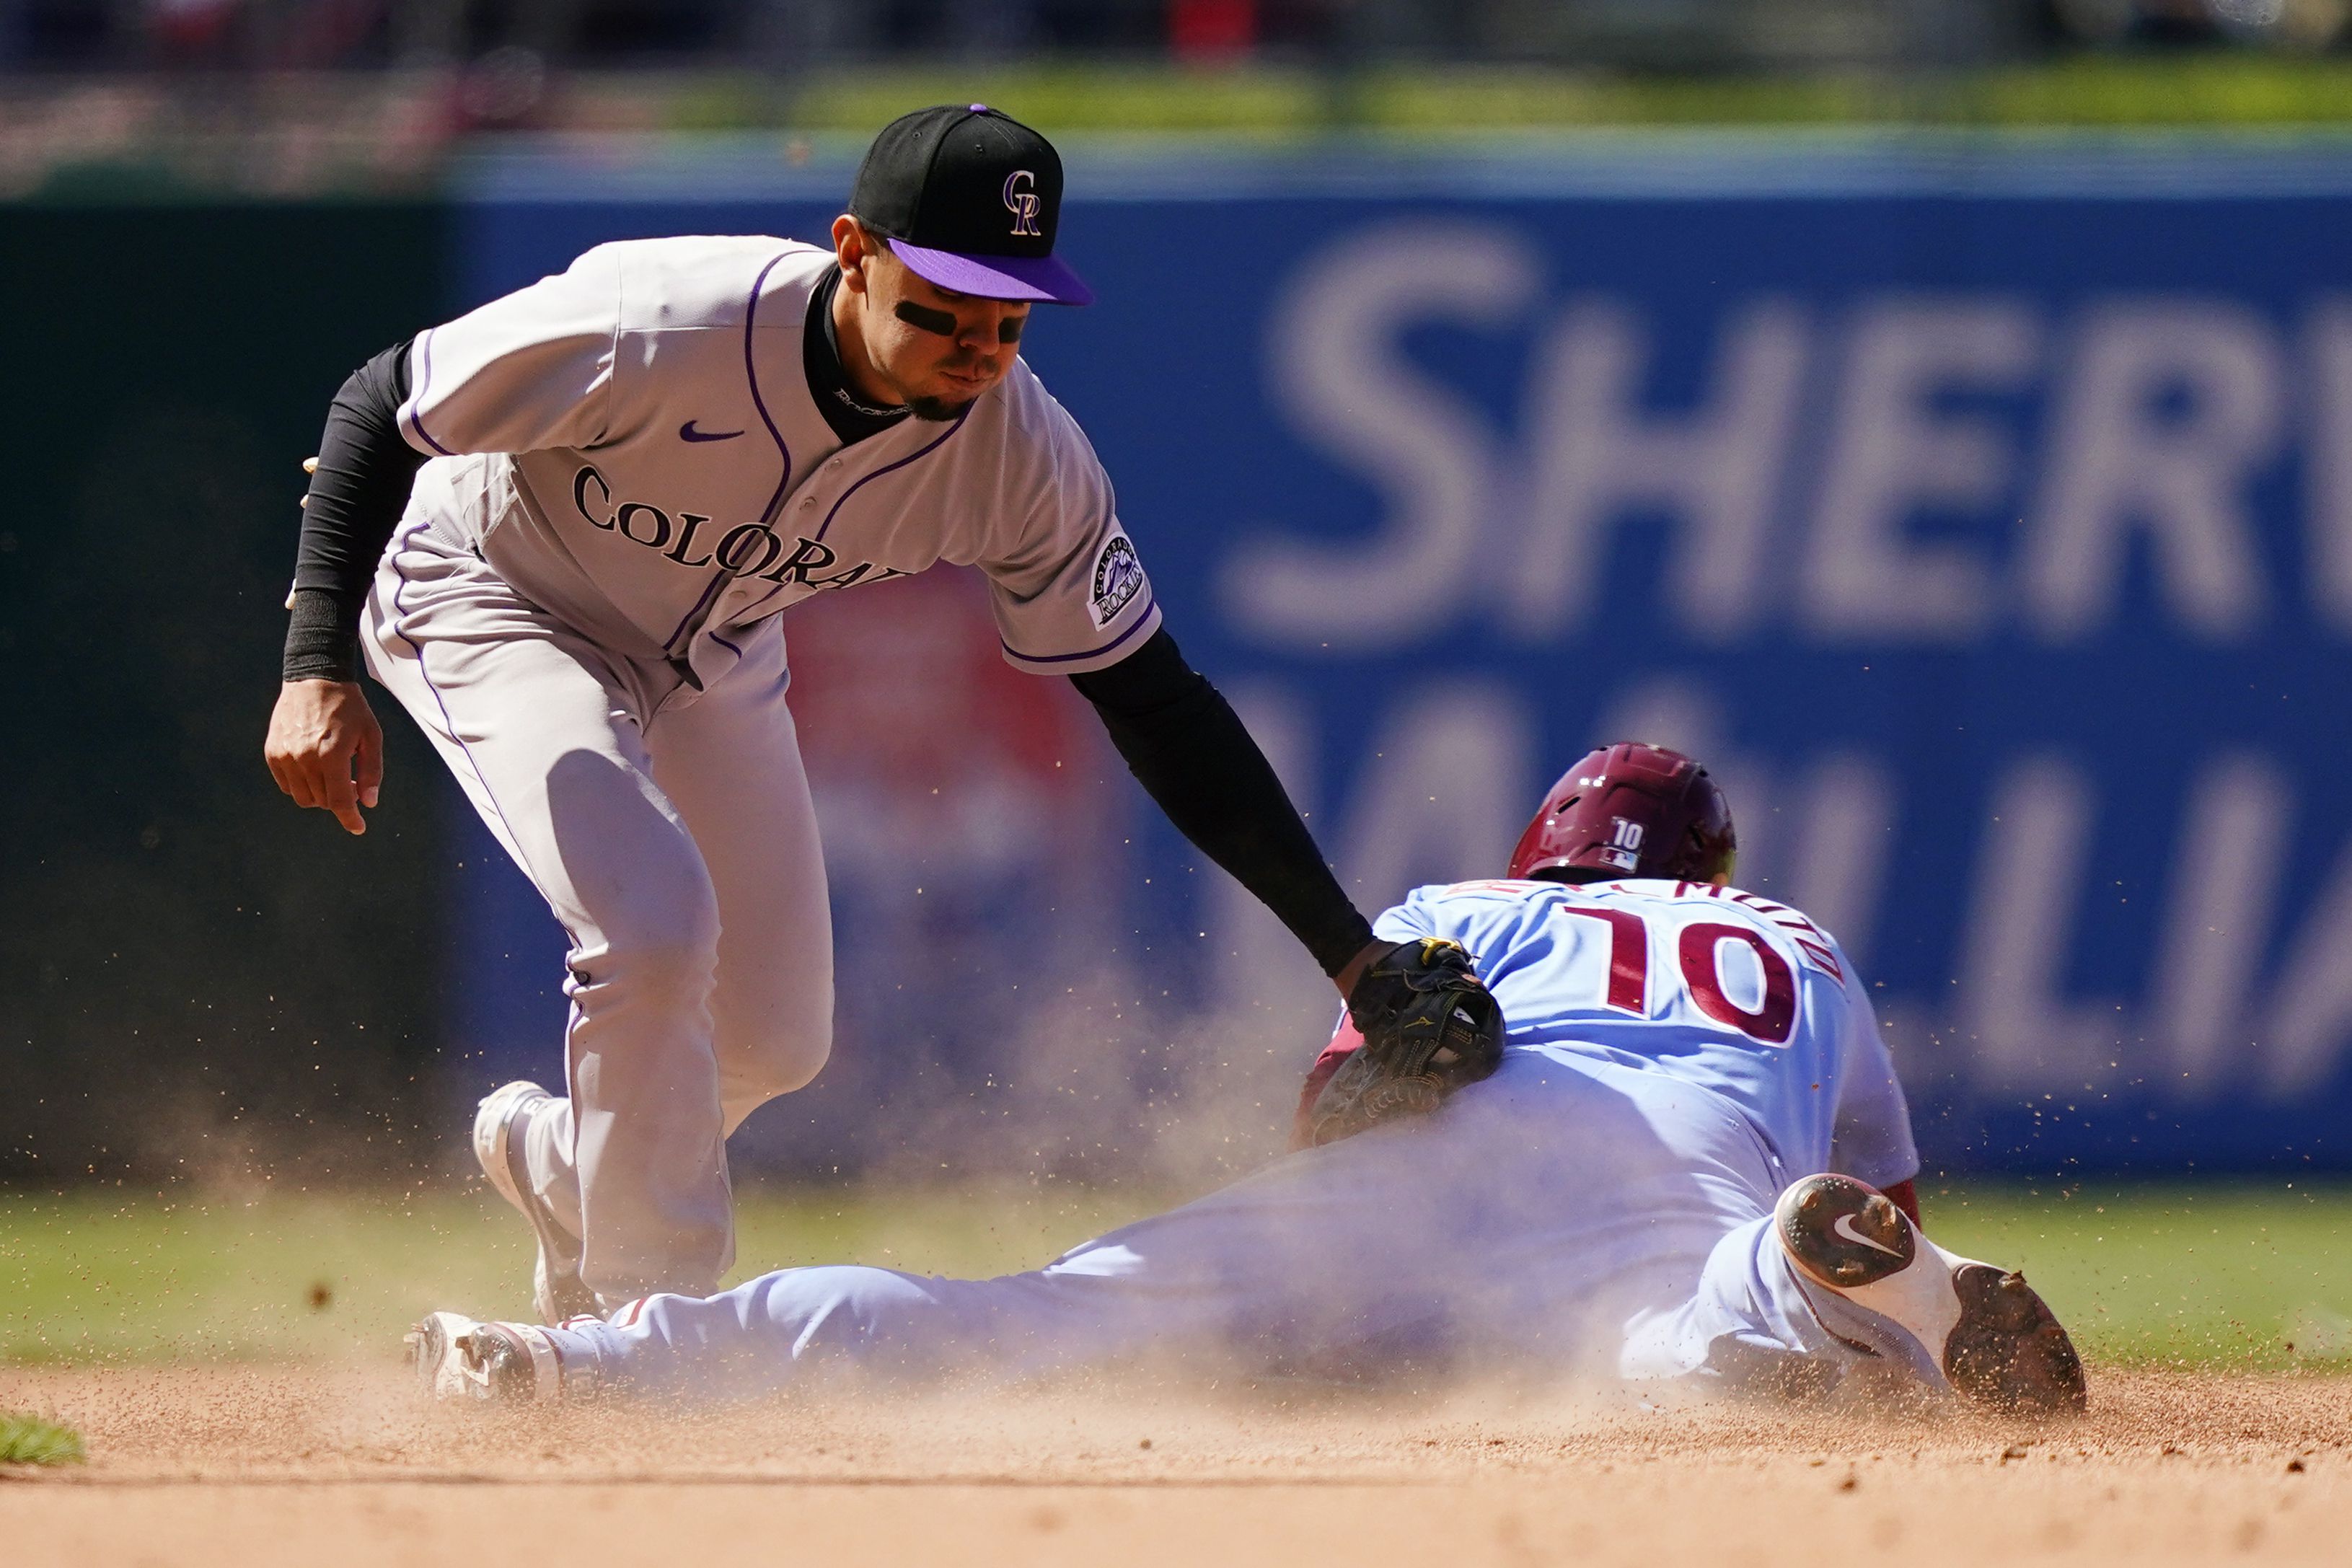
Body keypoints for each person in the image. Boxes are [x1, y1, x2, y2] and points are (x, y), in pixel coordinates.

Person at [259, 105, 1479, 1322]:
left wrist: (1351, 952)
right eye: (940, 303)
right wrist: (317, 662)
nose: (975, 343)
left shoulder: (1018, 457)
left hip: (713, 654)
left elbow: (1155, 700)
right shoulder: (668, 319)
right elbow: (383, 404)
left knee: (776, 1039)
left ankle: (572, 1166)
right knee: (652, 922)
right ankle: (645, 1326)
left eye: (1007, 314)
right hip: (494, 590)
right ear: (854, 251)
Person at [406, 743, 2087, 1414]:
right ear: (1707, 867)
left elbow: (1345, 1111)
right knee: (1654, 1339)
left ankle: (578, 1362)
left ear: (1544, 857)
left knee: (1028, 1320)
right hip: (1680, 1198)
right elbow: (1905, 1199)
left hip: (1426, 1183)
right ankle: (1778, 1304)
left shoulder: (1454, 910)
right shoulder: (1790, 940)